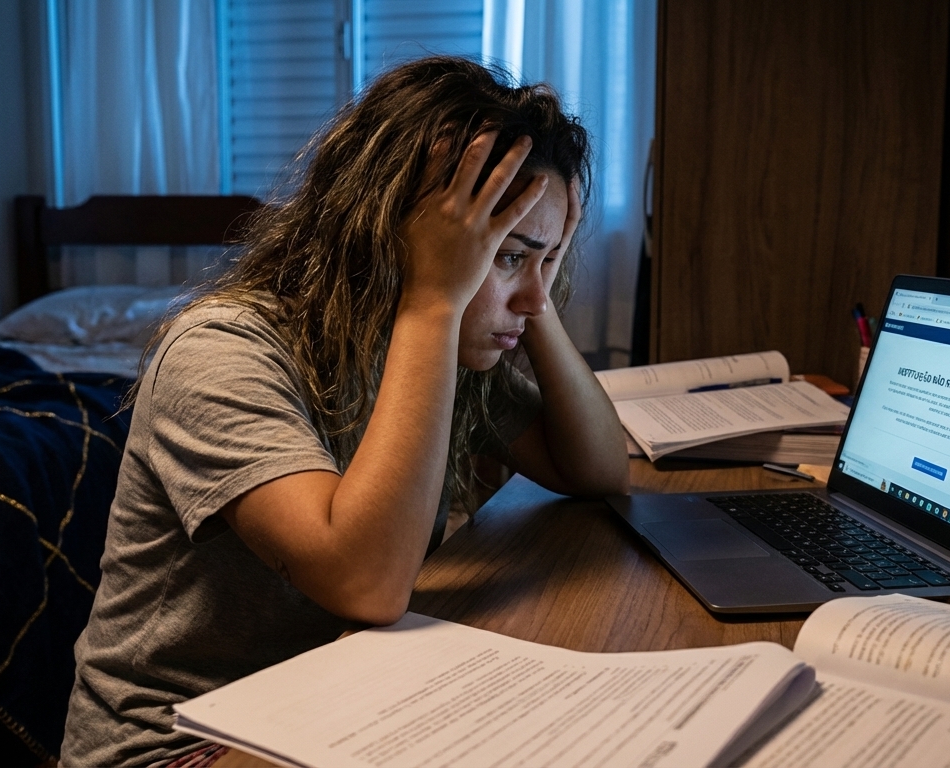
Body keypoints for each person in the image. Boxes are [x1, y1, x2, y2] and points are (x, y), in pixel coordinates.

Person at [60, 56, 629, 766]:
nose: (535, 299)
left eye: (546, 261)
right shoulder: (222, 351)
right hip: (177, 743)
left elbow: (601, 468)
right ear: (395, 235)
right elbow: (365, 583)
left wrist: (531, 271)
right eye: (505, 256)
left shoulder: (444, 352)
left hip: (330, 702)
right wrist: (435, 299)